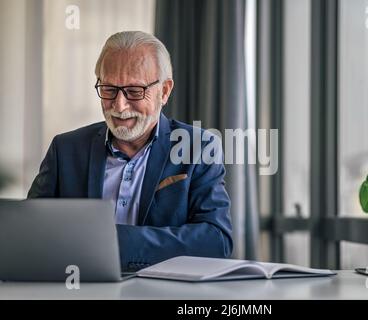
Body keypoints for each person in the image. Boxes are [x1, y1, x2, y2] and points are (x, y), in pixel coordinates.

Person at [28, 31, 233, 271]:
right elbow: (30, 231)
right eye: (108, 89)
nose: (119, 105)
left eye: (134, 91)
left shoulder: (198, 148)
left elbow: (215, 241)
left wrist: (108, 240)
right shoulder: (65, 150)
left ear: (164, 91)